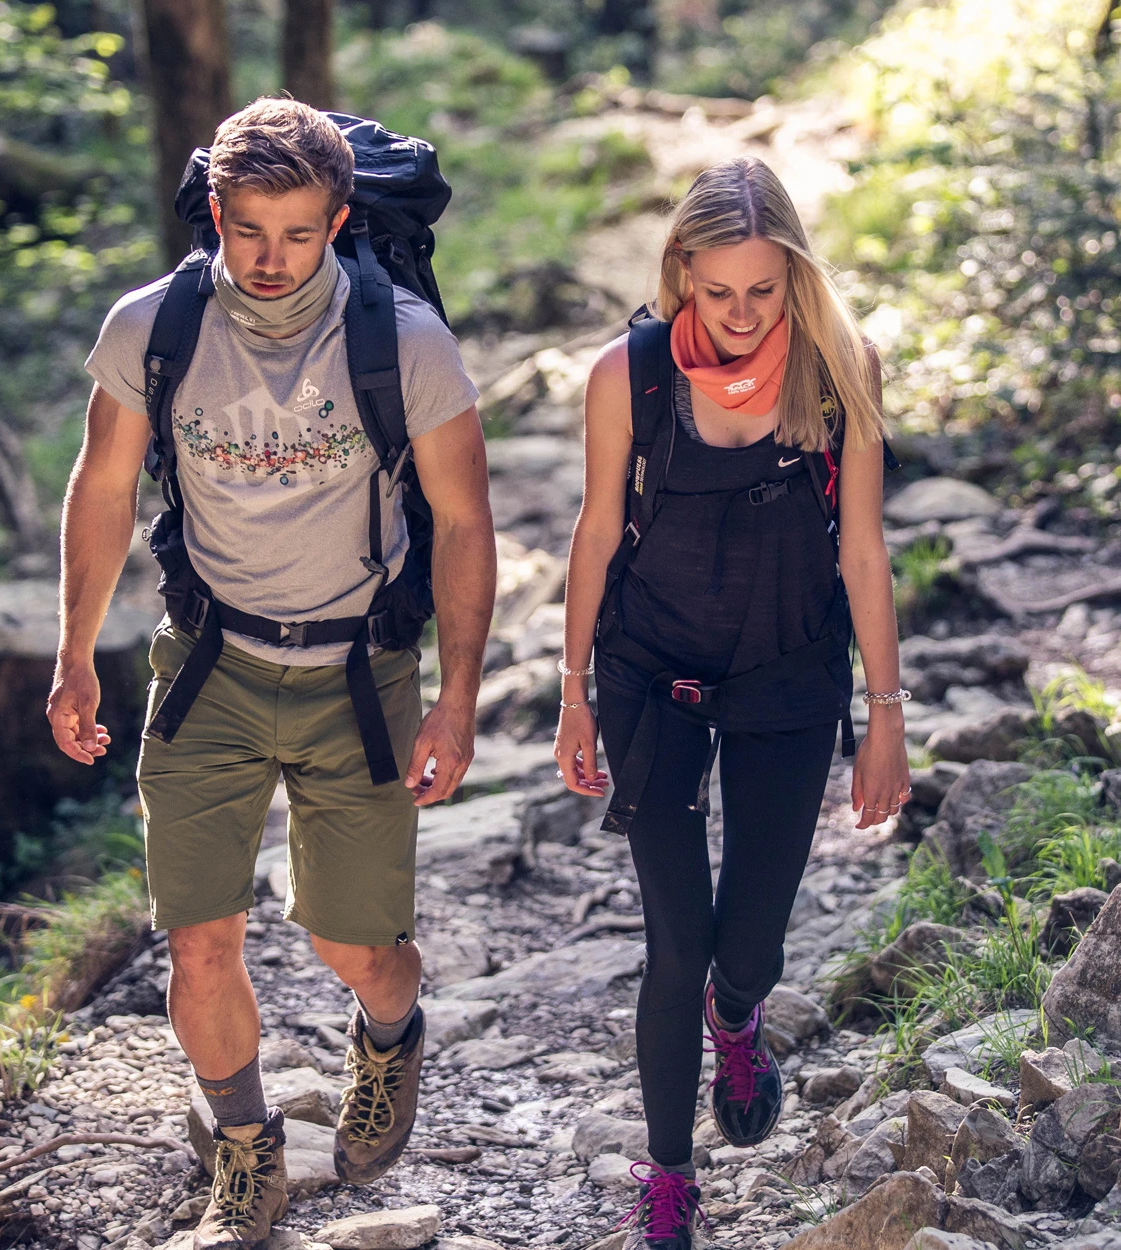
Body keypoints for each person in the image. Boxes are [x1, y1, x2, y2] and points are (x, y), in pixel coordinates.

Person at [46, 99, 495, 1248]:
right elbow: (102, 488)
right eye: (247, 228)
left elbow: (462, 521)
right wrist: (72, 657)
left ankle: (389, 1031)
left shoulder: (403, 341)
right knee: (199, 937)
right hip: (209, 665)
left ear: (338, 222)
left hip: (358, 670)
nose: (269, 258)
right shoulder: (153, 327)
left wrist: (455, 697)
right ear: (216, 212)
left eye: (297, 233)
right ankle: (248, 1155)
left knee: (357, 949)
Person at [553, 156, 910, 1249]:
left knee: (746, 945)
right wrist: (572, 692)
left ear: (793, 275)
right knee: (676, 939)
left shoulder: (838, 366)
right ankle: (668, 1178)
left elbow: (862, 550)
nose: (742, 314)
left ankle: (737, 1013)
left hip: (787, 673)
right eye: (718, 292)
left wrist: (886, 715)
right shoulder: (627, 376)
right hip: (648, 677)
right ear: (681, 273)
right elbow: (595, 533)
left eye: (763, 289)